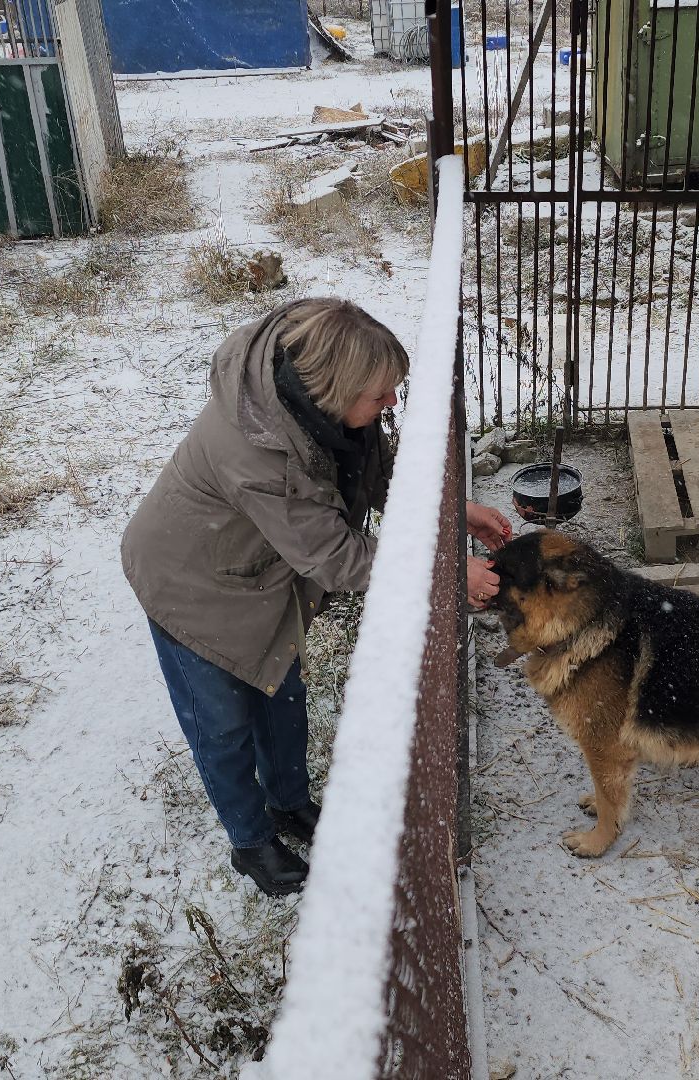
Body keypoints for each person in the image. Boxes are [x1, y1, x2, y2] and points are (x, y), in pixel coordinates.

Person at [121, 298, 511, 895]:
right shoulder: (259, 455)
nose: (391, 406)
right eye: (379, 397)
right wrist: (450, 571)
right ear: (335, 387)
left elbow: (375, 472)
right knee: (222, 722)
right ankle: (250, 842)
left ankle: (289, 803)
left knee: (281, 693)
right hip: (191, 583)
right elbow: (337, 556)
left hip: (261, 572)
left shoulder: (320, 407)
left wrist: (456, 513)